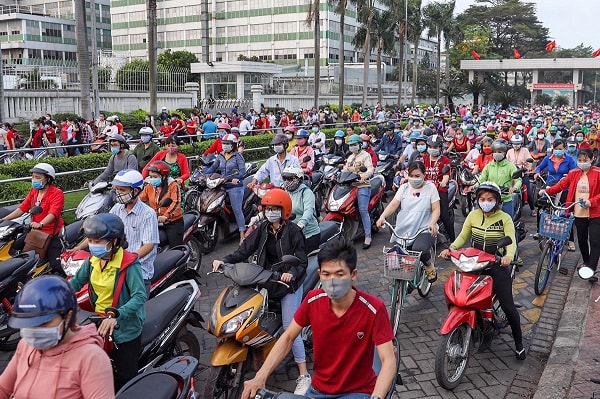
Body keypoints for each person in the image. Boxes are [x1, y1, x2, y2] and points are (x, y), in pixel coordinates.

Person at [241, 236, 397, 399]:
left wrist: (377, 397)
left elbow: (388, 359)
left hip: (358, 393)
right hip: (318, 391)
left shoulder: (373, 308)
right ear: (319, 274)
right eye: (326, 274)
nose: (332, 281)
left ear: (353, 274)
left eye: (339, 274)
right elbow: (288, 337)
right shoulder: (313, 300)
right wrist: (260, 376)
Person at [212, 189, 311, 395]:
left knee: (289, 327)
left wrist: (290, 273)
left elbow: (302, 261)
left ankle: (303, 374)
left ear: (284, 210)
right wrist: (226, 261)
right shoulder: (262, 228)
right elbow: (245, 249)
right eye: (267, 208)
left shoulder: (294, 231)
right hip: (266, 276)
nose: (270, 212)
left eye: (275, 208)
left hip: (287, 284)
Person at [440, 182, 526, 361]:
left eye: (490, 199)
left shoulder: (505, 218)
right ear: (477, 200)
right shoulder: (473, 215)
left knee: (508, 307)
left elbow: (511, 241)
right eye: (482, 199)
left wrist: (508, 257)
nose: (485, 202)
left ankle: (519, 344)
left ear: (497, 201)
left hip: (497, 266)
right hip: (474, 264)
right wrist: (451, 249)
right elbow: (463, 236)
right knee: (461, 293)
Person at [0, 276, 114, 399]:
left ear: (68, 316)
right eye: (29, 323)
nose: (35, 330)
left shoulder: (91, 358)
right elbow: (4, 388)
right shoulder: (26, 345)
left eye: (44, 323)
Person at [69, 214, 147, 389]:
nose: (93, 245)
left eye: (97, 241)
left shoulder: (129, 264)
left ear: (115, 240)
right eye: (90, 240)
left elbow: (140, 296)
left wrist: (117, 315)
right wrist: (52, 293)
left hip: (124, 327)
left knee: (127, 377)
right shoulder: (93, 261)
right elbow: (75, 284)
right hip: (99, 321)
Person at [376, 161, 440, 283]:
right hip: (405, 228)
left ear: (424, 175)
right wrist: (382, 216)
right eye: (411, 175)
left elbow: (436, 209)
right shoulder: (404, 188)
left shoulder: (431, 188)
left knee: (418, 249)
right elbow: (394, 204)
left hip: (424, 228)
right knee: (400, 258)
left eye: (417, 176)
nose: (414, 179)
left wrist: (432, 223)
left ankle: (429, 265)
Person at [540, 148, 600, 271]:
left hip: (595, 212)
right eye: (580, 160)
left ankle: (591, 269)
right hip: (579, 212)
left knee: (595, 241)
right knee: (582, 240)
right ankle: (586, 261)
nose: (582, 162)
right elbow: (561, 186)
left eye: (585, 160)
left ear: (592, 159)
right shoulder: (573, 173)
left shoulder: (598, 173)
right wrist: (546, 191)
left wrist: (591, 201)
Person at [0, 163, 64, 274]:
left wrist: (41, 224)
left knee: (56, 263)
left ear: (48, 179)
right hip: (34, 231)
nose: (34, 179)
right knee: (13, 248)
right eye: (33, 176)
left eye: (38, 177)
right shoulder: (34, 191)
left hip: (51, 232)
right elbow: (22, 209)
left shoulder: (57, 193)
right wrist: (4, 219)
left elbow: (53, 213)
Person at [201, 134, 247, 244]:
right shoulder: (221, 155)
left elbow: (242, 171)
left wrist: (236, 178)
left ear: (233, 145)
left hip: (234, 186)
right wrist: (203, 175)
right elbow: (213, 167)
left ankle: (242, 235)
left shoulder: (238, 156)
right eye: (224, 144)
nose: (225, 146)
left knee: (237, 210)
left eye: (227, 144)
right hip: (221, 185)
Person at [533, 139, 578, 246]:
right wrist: (537, 173)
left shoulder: (569, 160)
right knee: (541, 207)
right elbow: (539, 168)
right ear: (553, 149)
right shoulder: (548, 159)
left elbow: (575, 172)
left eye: (560, 149)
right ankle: (539, 231)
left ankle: (570, 240)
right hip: (550, 187)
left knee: (565, 211)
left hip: (564, 188)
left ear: (565, 149)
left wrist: (568, 177)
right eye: (556, 149)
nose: (558, 151)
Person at [140, 160, 184, 248]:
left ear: (163, 176)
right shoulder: (149, 186)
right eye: (150, 176)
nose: (152, 179)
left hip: (172, 221)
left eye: (155, 176)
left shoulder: (173, 185)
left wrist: (166, 216)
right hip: (155, 221)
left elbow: (176, 202)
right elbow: (141, 199)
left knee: (175, 249)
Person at [343, 134, 374, 249]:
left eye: (354, 145)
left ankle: (368, 236)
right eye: (351, 145)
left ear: (360, 145)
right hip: (350, 186)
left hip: (362, 185)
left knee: (362, 210)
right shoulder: (350, 157)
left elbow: (370, 169)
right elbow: (345, 169)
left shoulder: (366, 155)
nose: (352, 147)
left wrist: (364, 176)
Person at [422, 135, 455, 242]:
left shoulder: (445, 160)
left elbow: (446, 176)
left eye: (435, 147)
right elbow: (417, 171)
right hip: (425, 190)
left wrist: (444, 182)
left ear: (440, 148)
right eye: (431, 146)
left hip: (440, 190)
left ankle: (453, 240)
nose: (433, 149)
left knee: (444, 216)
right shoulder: (424, 158)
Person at [282, 166, 321, 253]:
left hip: (308, 234)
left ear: (298, 179)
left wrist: (300, 224)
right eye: (285, 178)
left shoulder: (306, 192)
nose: (287, 181)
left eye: (290, 178)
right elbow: (278, 206)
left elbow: (308, 211)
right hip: (291, 233)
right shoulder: (286, 192)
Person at [479, 140, 522, 219]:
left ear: (505, 153)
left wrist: (514, 187)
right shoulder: (489, 166)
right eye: (495, 151)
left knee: (509, 223)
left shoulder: (510, 166)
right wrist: (474, 186)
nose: (497, 153)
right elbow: (481, 179)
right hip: (491, 200)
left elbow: (518, 180)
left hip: (505, 199)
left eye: (500, 152)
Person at [507, 135, 535, 215]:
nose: (516, 145)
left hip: (522, 173)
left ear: (521, 143)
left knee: (528, 192)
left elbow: (530, 161)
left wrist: (528, 168)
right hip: (511, 175)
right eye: (514, 143)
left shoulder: (525, 150)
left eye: (518, 143)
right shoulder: (509, 152)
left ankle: (532, 209)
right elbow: (506, 162)